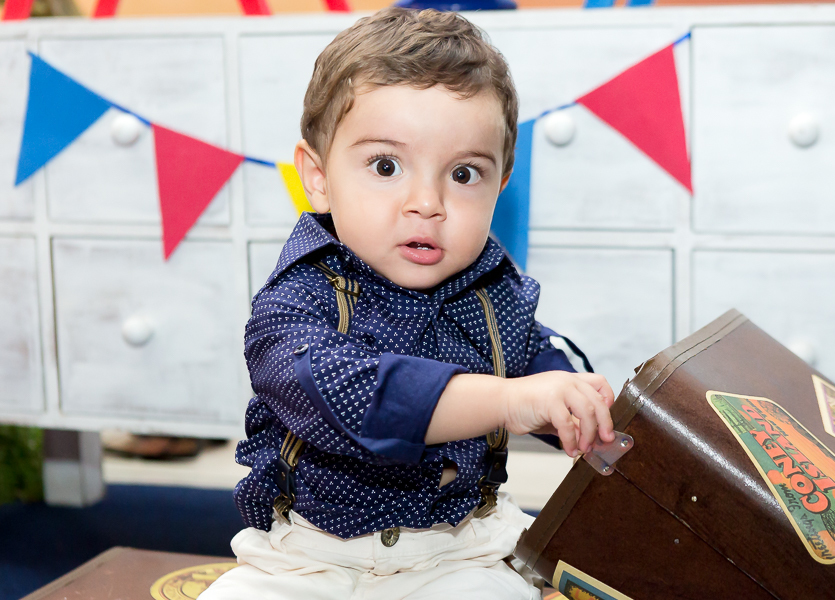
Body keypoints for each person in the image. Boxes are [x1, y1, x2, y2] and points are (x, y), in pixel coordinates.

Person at [201, 7, 615, 599]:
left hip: (461, 547)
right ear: (317, 176)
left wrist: (577, 406)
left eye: (464, 174)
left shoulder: (495, 296)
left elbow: (545, 371)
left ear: (500, 185)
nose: (427, 202)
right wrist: (509, 400)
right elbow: (359, 395)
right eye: (386, 166)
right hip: (308, 558)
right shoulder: (293, 305)